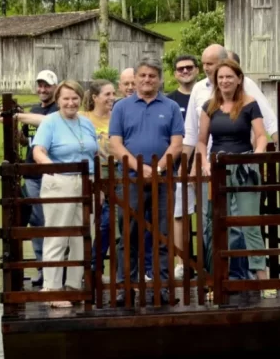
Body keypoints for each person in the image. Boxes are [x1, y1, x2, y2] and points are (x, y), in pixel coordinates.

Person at [183, 45, 277, 277]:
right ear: (216, 81)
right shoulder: (209, 107)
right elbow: (202, 140)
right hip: (217, 167)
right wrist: (203, 163)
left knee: (249, 223)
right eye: (220, 77)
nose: (224, 81)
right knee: (213, 223)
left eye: (229, 77)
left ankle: (261, 277)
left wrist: (257, 156)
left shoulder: (249, 103)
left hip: (244, 164)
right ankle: (217, 275)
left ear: (238, 79)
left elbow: (261, 135)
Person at [109, 56, 184, 290]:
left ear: (160, 79)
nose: (147, 80)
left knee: (162, 233)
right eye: (142, 75)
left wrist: (158, 168)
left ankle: (162, 284)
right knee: (129, 233)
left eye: (152, 76)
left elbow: (177, 144)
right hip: (130, 179)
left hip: (163, 180)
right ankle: (126, 283)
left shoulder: (171, 107)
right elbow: (115, 144)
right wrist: (140, 167)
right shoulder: (121, 107)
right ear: (136, 79)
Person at [30, 80, 99, 308]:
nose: (70, 102)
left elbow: (94, 151)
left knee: (82, 236)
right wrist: (53, 171)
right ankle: (52, 288)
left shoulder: (86, 123)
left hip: (86, 182)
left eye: (74, 98)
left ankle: (73, 287)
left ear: (81, 99)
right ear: (58, 100)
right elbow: (38, 150)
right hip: (60, 181)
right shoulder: (49, 122)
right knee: (58, 236)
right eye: (66, 98)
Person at [0, 70, 58, 287]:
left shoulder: (58, 110)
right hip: (32, 174)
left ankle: (58, 269)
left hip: (52, 174)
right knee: (37, 222)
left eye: (47, 85)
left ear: (55, 87)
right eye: (39, 85)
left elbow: (48, 123)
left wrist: (17, 115)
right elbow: (26, 142)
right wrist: (13, 128)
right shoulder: (34, 110)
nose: (42, 89)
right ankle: (42, 268)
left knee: (56, 222)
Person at [81, 79, 116, 272]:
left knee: (109, 222)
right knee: (88, 221)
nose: (112, 98)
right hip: (92, 174)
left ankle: (96, 264)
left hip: (115, 173)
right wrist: (18, 116)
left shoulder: (118, 116)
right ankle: (86, 265)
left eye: (113, 94)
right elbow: (50, 120)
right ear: (95, 97)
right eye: (107, 94)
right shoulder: (83, 117)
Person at [168, 54, 198, 277]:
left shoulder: (207, 95)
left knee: (209, 216)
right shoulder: (169, 101)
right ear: (175, 73)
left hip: (207, 165)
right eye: (180, 69)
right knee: (179, 215)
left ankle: (209, 260)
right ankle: (181, 262)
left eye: (189, 67)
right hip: (179, 167)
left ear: (197, 70)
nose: (185, 71)